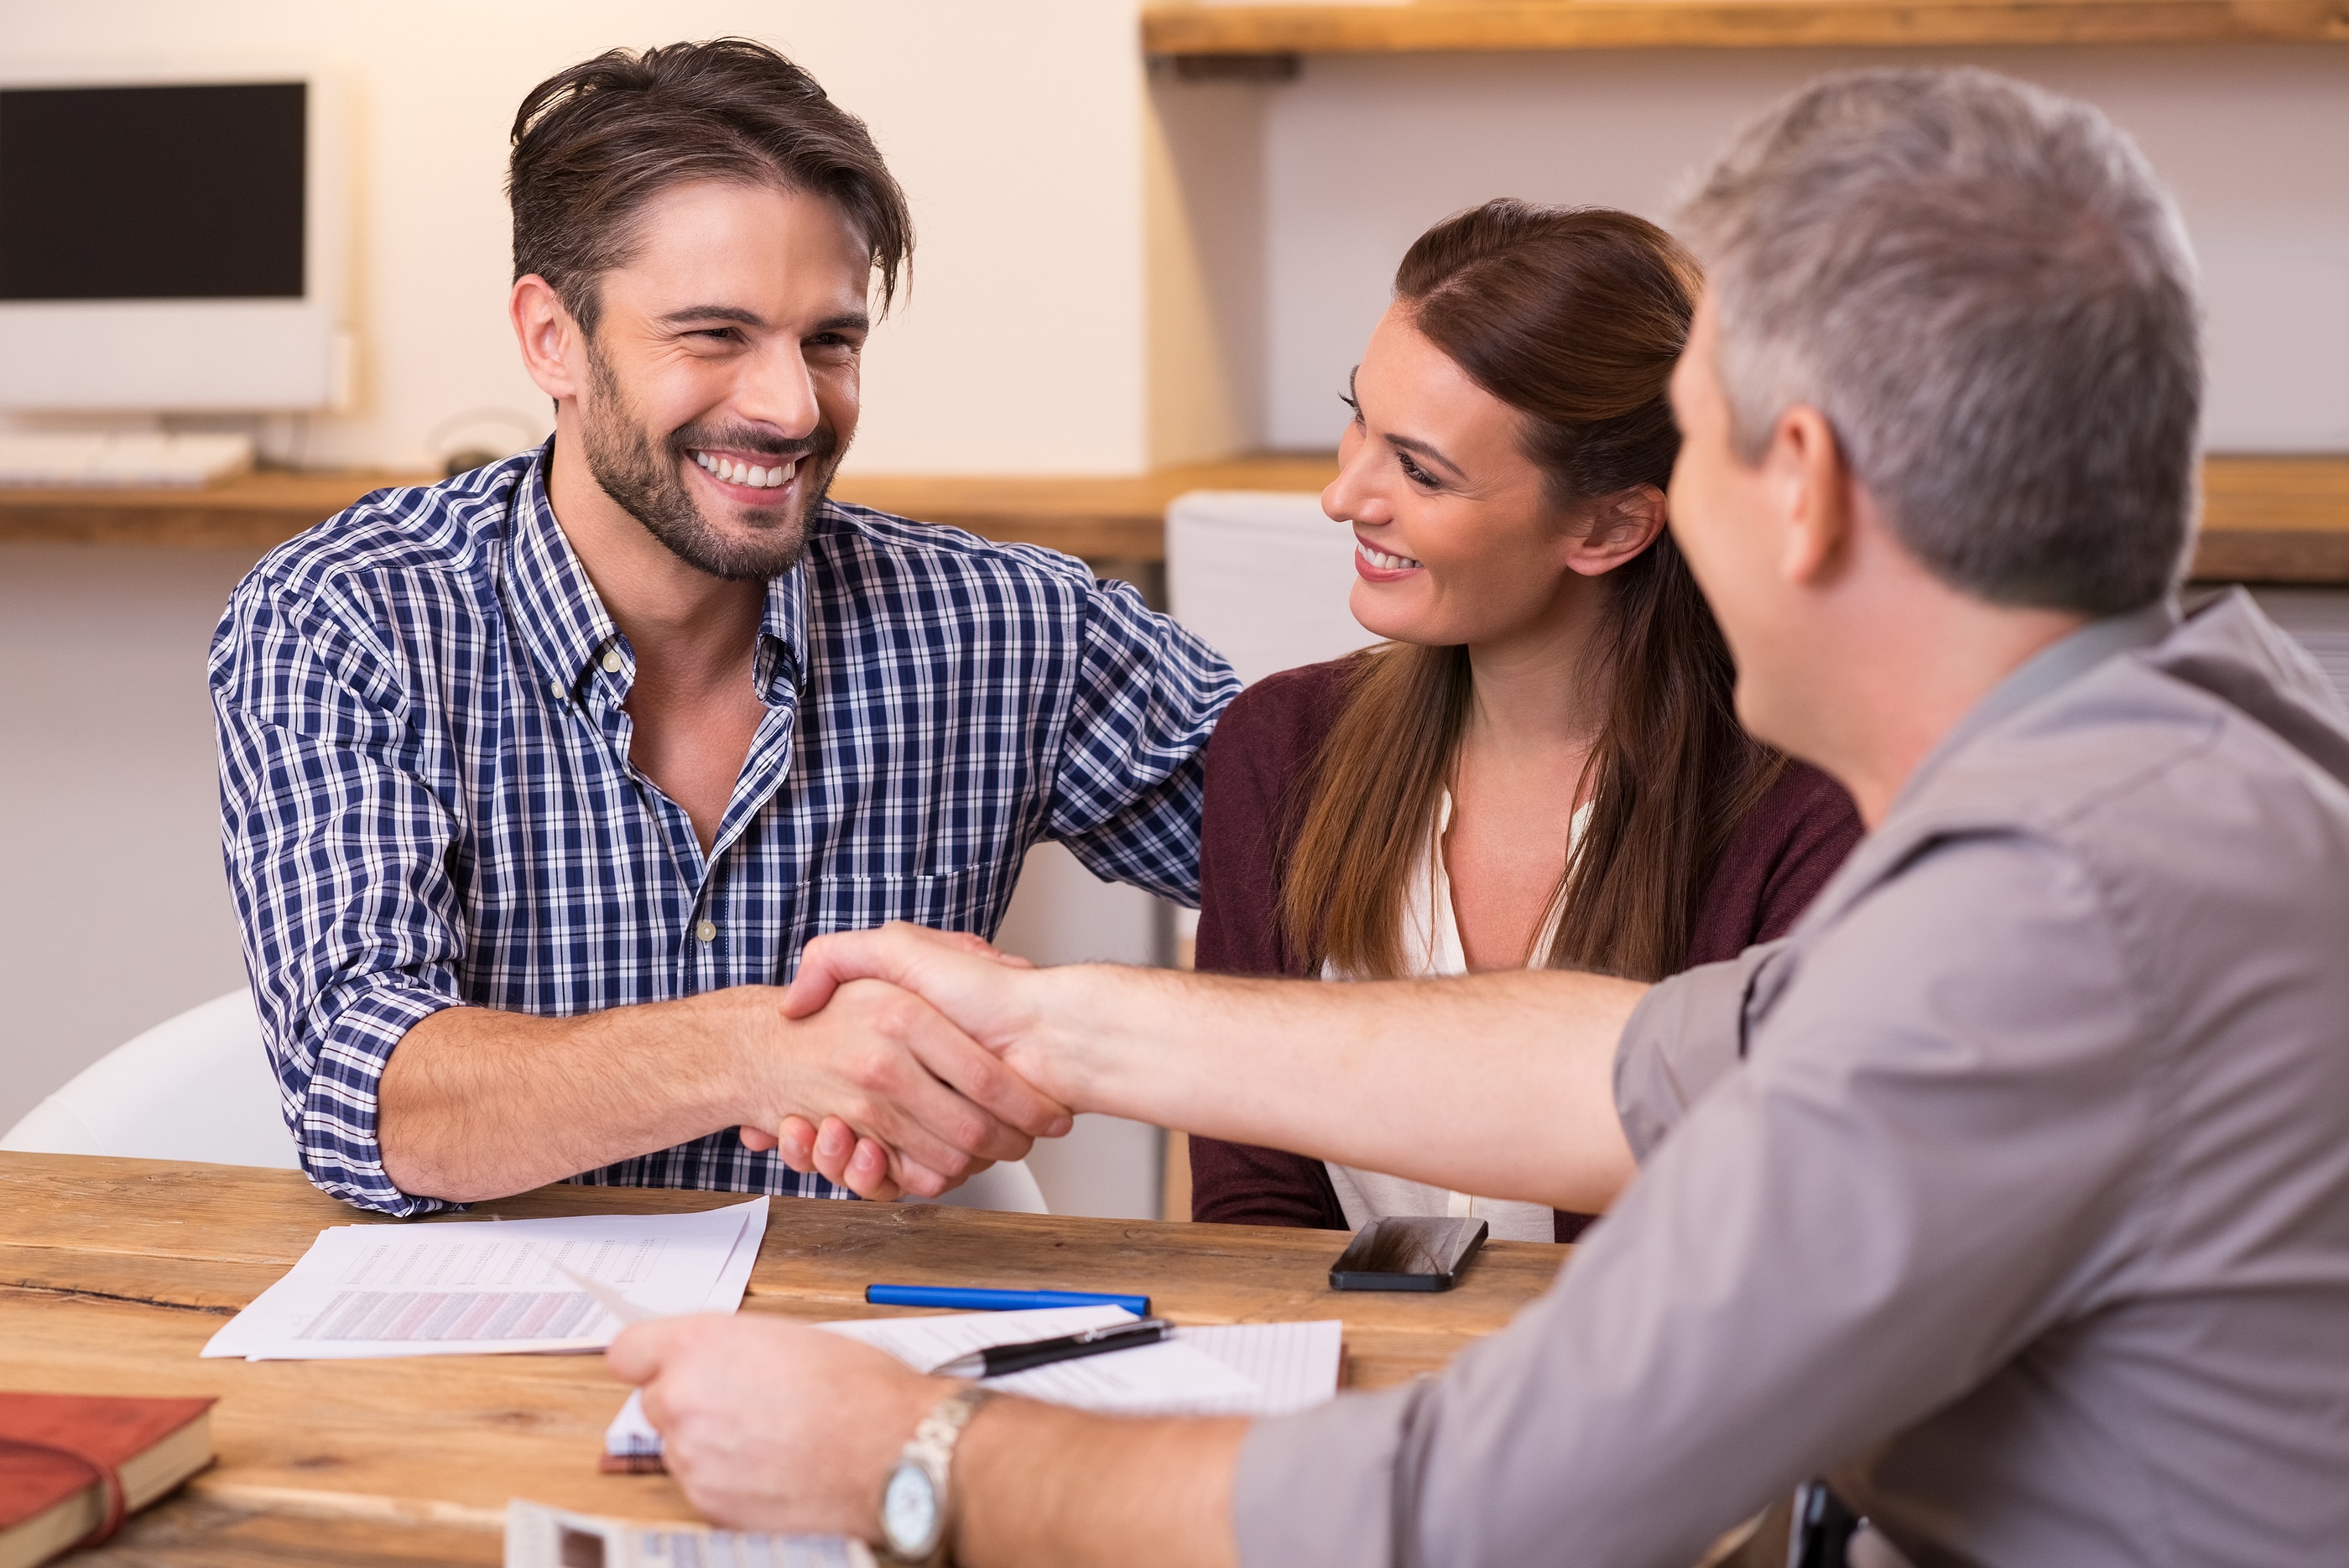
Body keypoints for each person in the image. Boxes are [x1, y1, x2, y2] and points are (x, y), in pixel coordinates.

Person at [612, 67, 2349, 1568]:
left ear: (1796, 484)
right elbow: (1627, 1067)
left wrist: (908, 1458)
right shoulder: (2192, 772)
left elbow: (1483, 1514)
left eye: (1694, 437)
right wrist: (1050, 1018)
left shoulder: (2053, 920)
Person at [207, 39, 1235, 1218]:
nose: (793, 407)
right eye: (714, 336)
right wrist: (765, 1048)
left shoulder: (1006, 629)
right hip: (470, 1375)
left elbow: (1359, 856)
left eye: (831, 342)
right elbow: (372, 1097)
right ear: (552, 338)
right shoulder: (348, 619)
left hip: (850, 1360)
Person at [1187, 201, 1860, 1242]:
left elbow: (1770, 1236)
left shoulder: (1810, 808)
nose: (1342, 494)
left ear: (1609, 525)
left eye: (1420, 470)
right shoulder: (1281, 749)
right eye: (1359, 416)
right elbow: (1256, 1209)